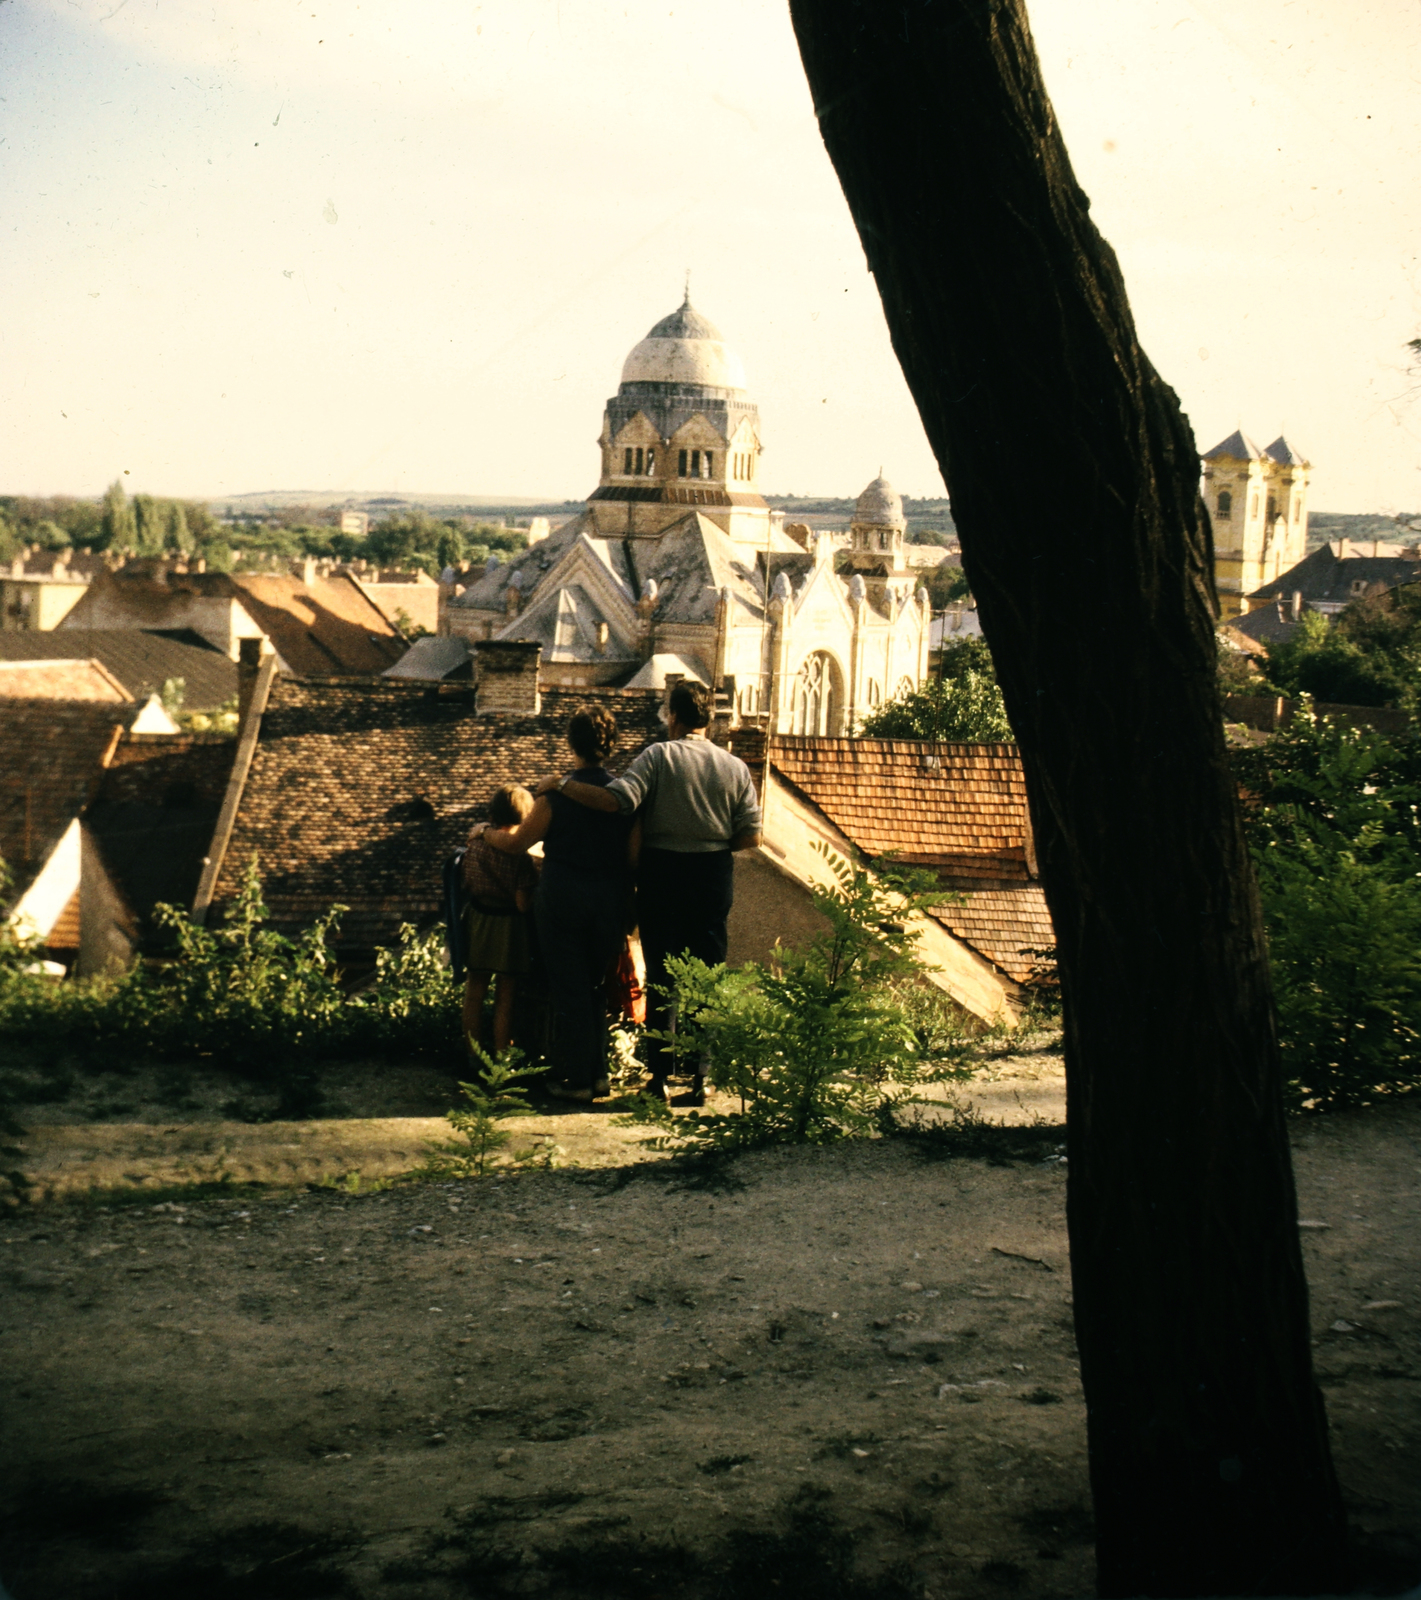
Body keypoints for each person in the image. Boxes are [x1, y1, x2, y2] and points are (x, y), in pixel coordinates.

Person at [535, 680, 761, 1104]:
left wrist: (561, 786)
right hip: (712, 873)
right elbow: (752, 836)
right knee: (707, 976)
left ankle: (658, 1077)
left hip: (663, 874)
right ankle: (700, 1078)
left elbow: (614, 802)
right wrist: (710, 843)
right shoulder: (733, 767)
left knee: (661, 976)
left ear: (673, 716)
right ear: (708, 719)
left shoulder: (658, 757)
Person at [485, 708, 635, 1103]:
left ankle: (577, 1080)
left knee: (569, 988)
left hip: (564, 895)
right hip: (610, 898)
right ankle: (599, 1076)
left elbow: (517, 844)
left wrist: (484, 834)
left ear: (572, 744)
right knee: (596, 987)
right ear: (610, 746)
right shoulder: (621, 797)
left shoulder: (553, 798)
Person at [460, 784, 537, 1062]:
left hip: (478, 920)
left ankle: (472, 1054)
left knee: (474, 991)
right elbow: (521, 903)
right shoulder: (520, 856)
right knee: (506, 997)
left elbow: (465, 880)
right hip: (508, 928)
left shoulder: (475, 843)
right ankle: (502, 1058)